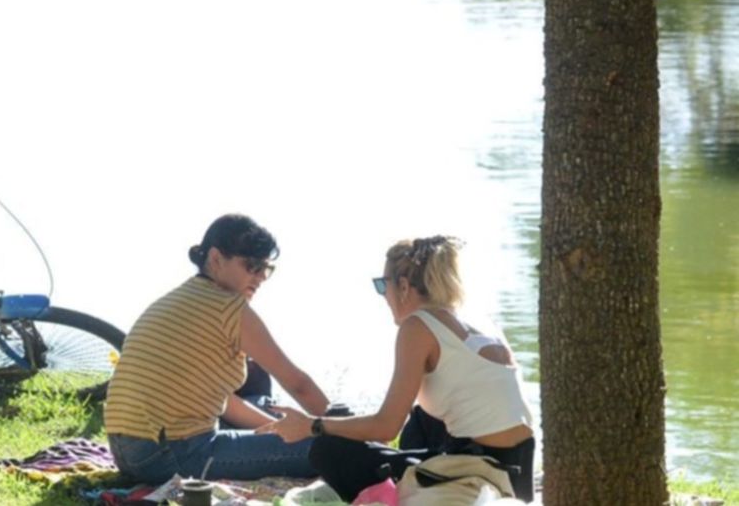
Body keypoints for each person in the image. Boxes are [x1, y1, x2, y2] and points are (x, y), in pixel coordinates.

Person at [263, 236, 535, 501]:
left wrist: (312, 426)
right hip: (518, 467)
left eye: (383, 285)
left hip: (479, 473)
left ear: (403, 286)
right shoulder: (475, 322)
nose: (383, 295)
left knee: (327, 449)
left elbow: (386, 427)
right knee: (413, 417)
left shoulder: (417, 326)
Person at [104, 214, 331, 483]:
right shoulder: (229, 308)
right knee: (328, 449)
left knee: (260, 399)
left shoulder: (177, 298)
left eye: (266, 269)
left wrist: (274, 430)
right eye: (252, 266)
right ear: (215, 258)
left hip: (127, 451)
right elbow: (298, 384)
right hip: (171, 455)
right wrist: (350, 430)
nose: (259, 277)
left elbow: (222, 403)